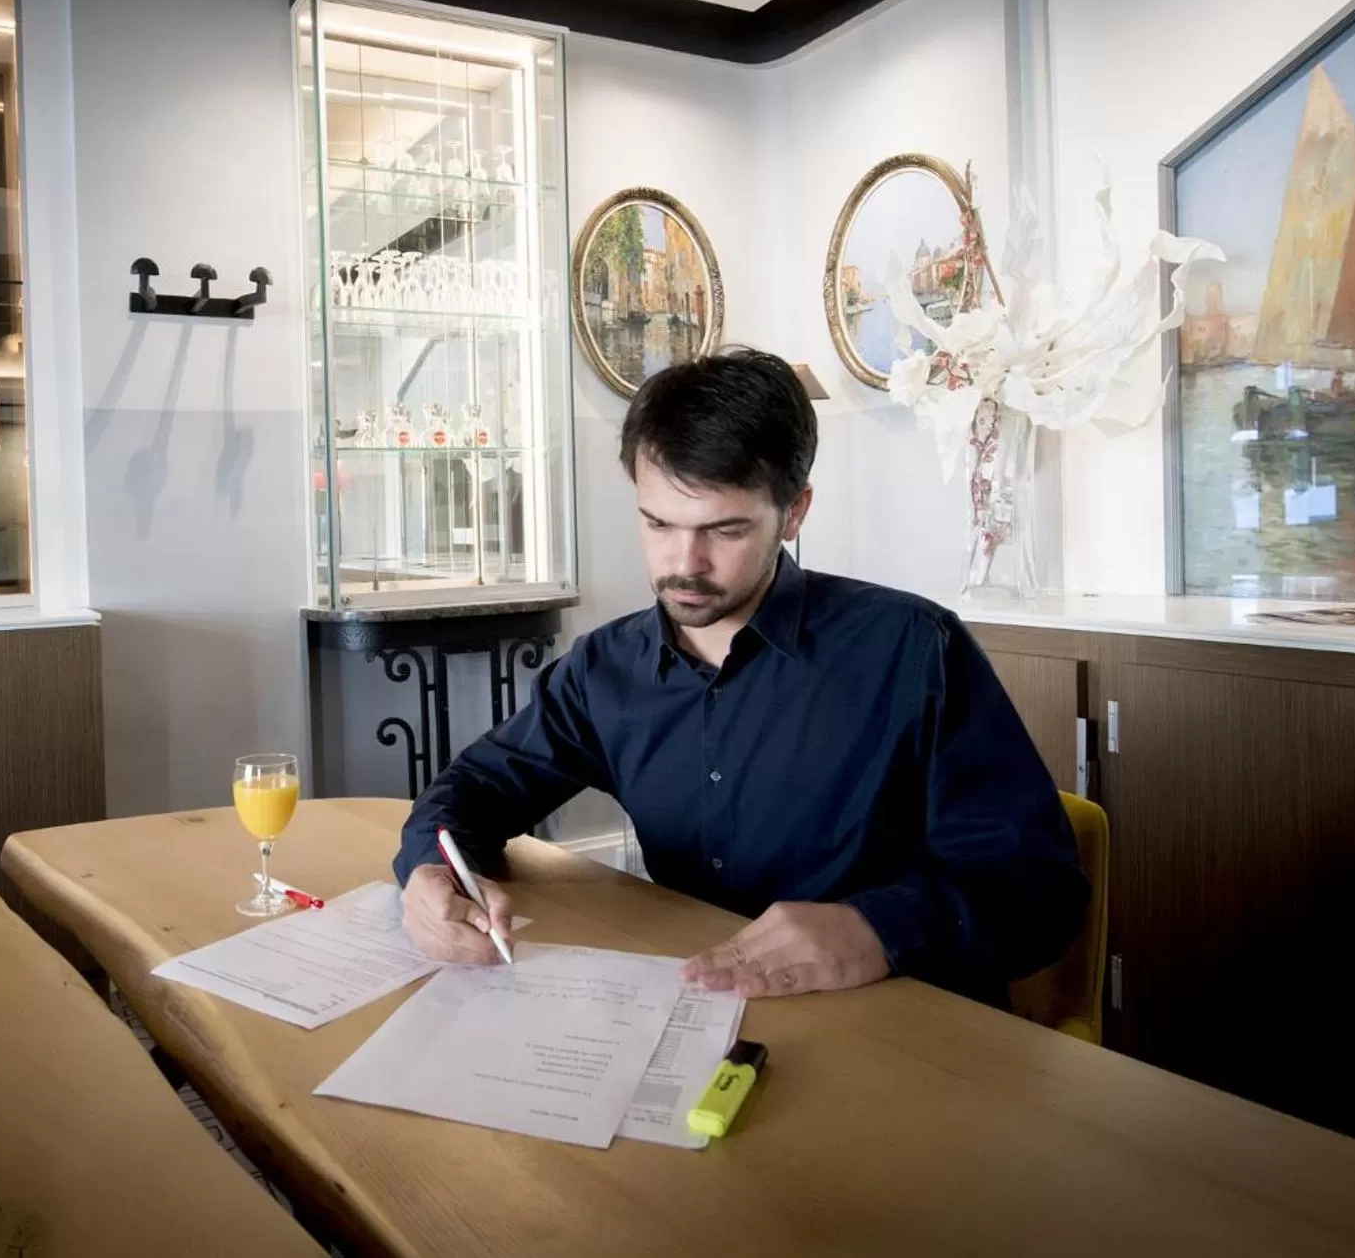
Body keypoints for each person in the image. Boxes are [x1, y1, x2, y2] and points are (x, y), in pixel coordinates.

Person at [396, 349, 1088, 1006]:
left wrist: (877, 929)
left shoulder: (912, 651)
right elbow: (475, 788)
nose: (684, 563)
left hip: (895, 1024)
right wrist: (432, 872)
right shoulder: (606, 669)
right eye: (658, 523)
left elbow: (1041, 890)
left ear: (794, 513)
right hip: (697, 1008)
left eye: (724, 531)